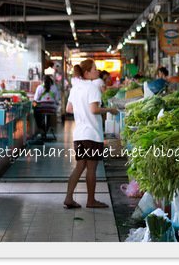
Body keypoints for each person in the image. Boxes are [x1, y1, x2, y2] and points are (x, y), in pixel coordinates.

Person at [64, 59, 118, 209]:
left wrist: (82, 112)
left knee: (80, 166)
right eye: (94, 69)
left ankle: (69, 198)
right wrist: (109, 110)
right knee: (91, 168)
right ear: (87, 73)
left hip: (79, 134)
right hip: (92, 134)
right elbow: (94, 110)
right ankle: (91, 200)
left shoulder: (75, 89)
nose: (97, 71)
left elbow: (69, 109)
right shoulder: (92, 88)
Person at [33, 75, 60, 140]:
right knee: (47, 114)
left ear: (43, 81)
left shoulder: (39, 87)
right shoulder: (54, 87)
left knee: (35, 111)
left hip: (41, 109)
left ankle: (41, 128)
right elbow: (57, 99)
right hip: (52, 109)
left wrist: (34, 105)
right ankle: (46, 128)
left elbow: (35, 99)